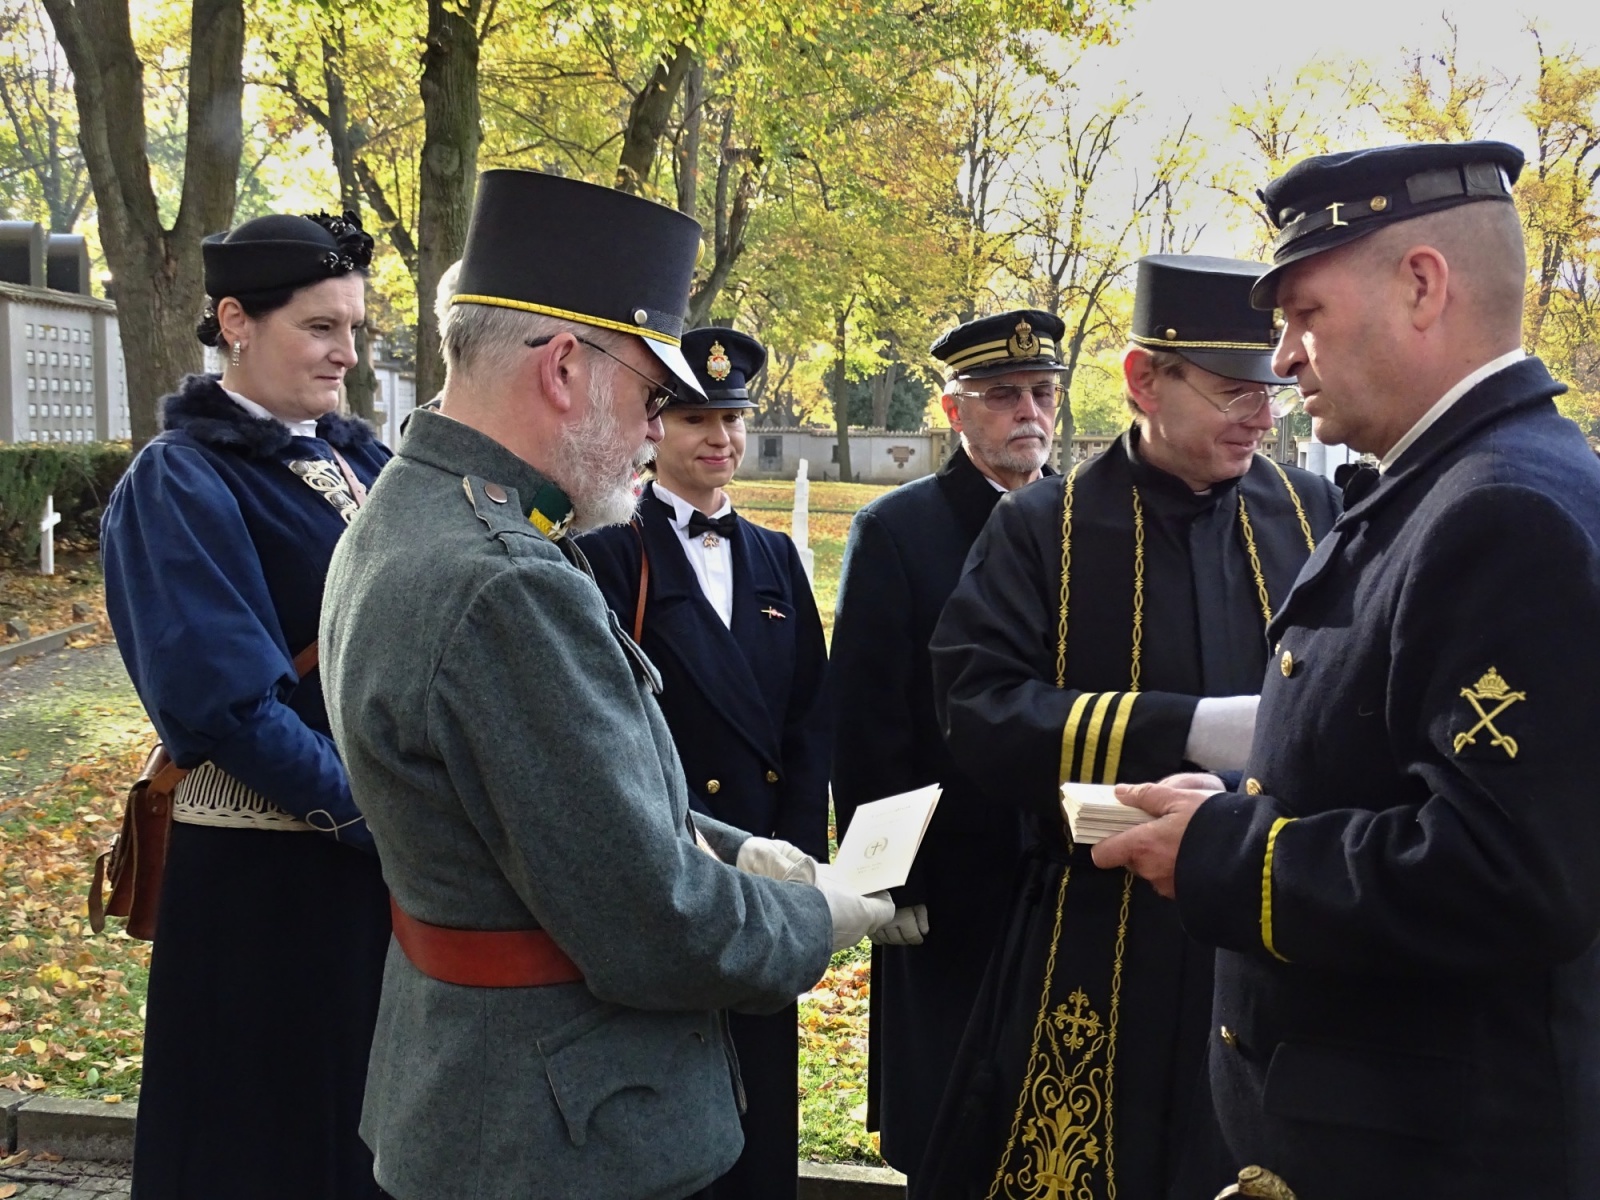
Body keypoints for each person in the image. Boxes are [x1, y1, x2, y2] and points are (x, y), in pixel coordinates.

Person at [318, 169, 892, 1200]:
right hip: (558, 1129)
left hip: (485, 1095)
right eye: (653, 396)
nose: (653, 430)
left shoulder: (409, 513)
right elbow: (655, 926)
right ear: (565, 368)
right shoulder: (503, 582)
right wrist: (821, 921)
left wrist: (736, 849)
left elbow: (552, 806)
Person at [1096, 142, 1600, 1200]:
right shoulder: (1450, 483)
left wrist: (1227, 851)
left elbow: (1505, 874)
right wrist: (1234, 804)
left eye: (1305, 315)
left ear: (1422, 285)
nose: (1282, 359)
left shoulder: (1502, 511)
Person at [921, 256, 1341, 1200]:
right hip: (1095, 925)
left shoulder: (1312, 511)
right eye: (1234, 390)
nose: (1262, 416)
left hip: (1268, 922)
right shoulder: (1043, 527)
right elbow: (979, 707)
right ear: (1145, 379)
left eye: (1271, 390)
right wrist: (1188, 728)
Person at [100, 211, 390, 1199]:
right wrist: (376, 816)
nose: (346, 353)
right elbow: (221, 702)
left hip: (378, 886)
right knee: (262, 1149)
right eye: (319, 327)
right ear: (235, 321)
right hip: (262, 894)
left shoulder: (366, 466)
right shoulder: (178, 478)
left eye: (353, 329)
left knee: (367, 1144)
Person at [578, 326, 830, 1200]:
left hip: (766, 875)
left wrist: (798, 860)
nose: (720, 438)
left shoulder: (775, 555)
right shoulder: (609, 550)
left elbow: (808, 720)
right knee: (676, 1111)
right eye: (695, 418)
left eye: (732, 418)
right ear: (655, 428)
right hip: (672, 866)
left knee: (761, 1105)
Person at [829, 308, 1064, 1182]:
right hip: (947, 875)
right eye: (1003, 395)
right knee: (948, 1117)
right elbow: (868, 716)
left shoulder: (1092, 524)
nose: (1029, 412)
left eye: (1042, 392)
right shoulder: (899, 530)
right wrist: (888, 877)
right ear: (953, 409)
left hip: (1069, 869)